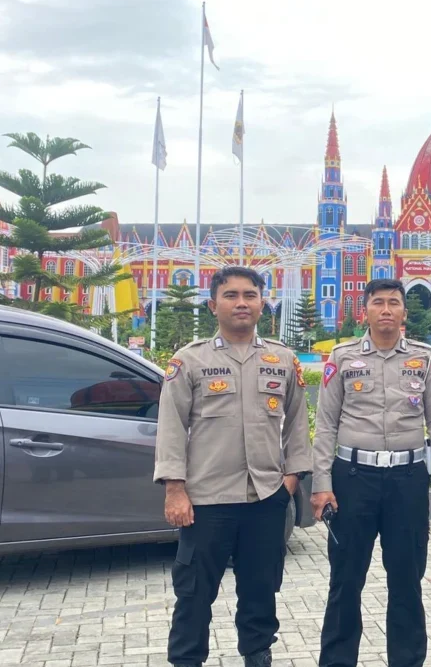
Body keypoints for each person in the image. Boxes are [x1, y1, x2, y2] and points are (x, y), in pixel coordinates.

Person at [154, 266, 312, 667]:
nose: (241, 303)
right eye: (231, 295)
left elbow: (297, 423)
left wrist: (290, 482)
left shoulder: (282, 359)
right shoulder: (189, 361)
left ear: (263, 303)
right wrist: (175, 489)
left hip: (265, 497)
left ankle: (257, 656)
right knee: (194, 592)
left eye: (249, 295)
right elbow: (171, 427)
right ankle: (187, 660)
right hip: (206, 499)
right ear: (213, 305)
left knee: (260, 589)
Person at [310, 278, 431, 667]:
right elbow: (325, 424)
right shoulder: (341, 357)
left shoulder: (424, 359)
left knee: (406, 580)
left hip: (406, 482)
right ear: (366, 311)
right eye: (379, 302)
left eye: (394, 302)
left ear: (404, 312)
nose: (386, 309)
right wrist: (321, 484)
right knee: (345, 580)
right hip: (352, 478)